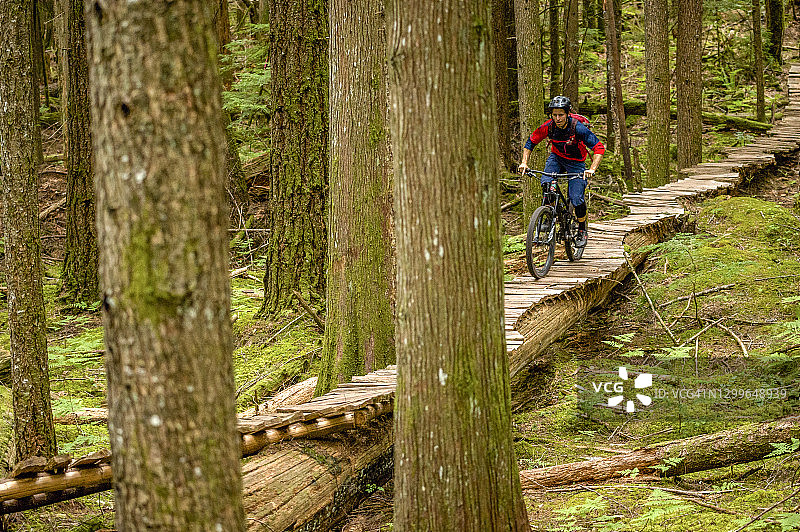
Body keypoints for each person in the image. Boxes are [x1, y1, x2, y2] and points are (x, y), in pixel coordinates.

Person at [518, 95, 604, 247]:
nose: (557, 118)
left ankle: (582, 230)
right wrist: (524, 163)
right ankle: (548, 215)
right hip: (556, 158)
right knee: (546, 184)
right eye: (555, 115)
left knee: (576, 198)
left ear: (567, 114)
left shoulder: (578, 128)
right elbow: (531, 142)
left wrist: (592, 169)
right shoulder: (549, 126)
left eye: (561, 115)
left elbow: (599, 147)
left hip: (576, 163)